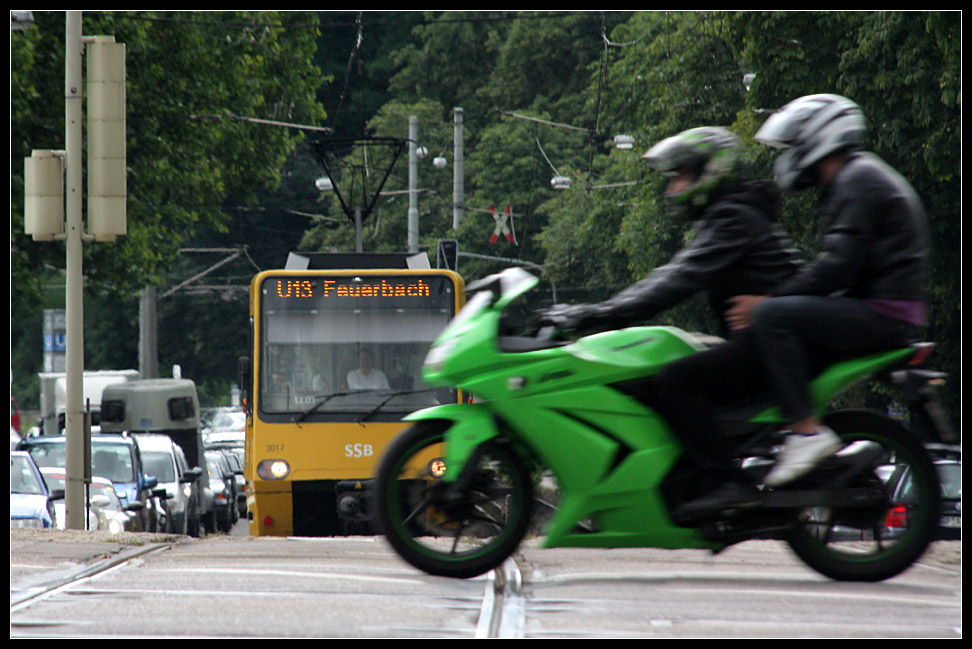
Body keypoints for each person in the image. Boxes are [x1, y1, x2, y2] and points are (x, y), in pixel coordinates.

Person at [540, 126, 801, 516]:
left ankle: (726, 482)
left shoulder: (734, 217)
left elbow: (678, 279)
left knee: (675, 381)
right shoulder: (731, 215)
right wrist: (600, 310)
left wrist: (596, 313)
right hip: (763, 342)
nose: (673, 189)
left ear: (711, 173)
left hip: (772, 347)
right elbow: (673, 272)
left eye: (681, 176)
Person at [726, 94, 930, 487]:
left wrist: (769, 301)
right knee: (787, 321)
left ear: (819, 139)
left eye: (793, 145)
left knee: (773, 317)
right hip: (883, 307)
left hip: (883, 314)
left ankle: (805, 432)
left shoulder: (857, 179)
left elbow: (836, 267)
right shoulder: (857, 176)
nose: (787, 157)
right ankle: (803, 440)